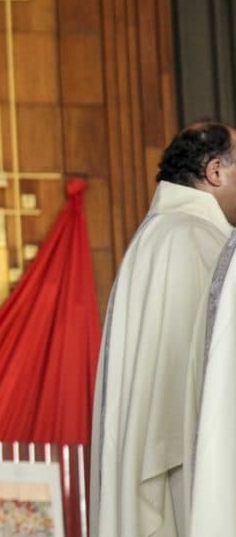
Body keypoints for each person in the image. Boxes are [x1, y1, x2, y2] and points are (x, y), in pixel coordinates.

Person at [90, 122, 236, 537]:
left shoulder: (160, 235)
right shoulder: (192, 239)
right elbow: (194, 395)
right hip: (184, 473)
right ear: (215, 172)